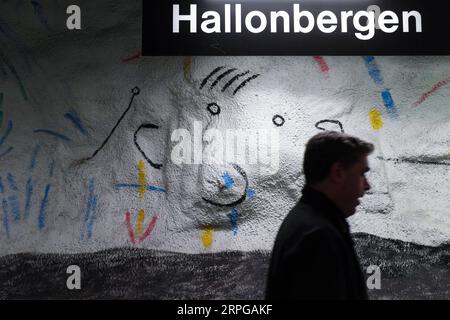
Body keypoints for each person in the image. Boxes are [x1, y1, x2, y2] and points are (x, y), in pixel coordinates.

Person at [265, 131, 374, 300]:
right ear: (338, 172)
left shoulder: (306, 222)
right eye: (361, 174)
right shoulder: (318, 235)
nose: (367, 186)